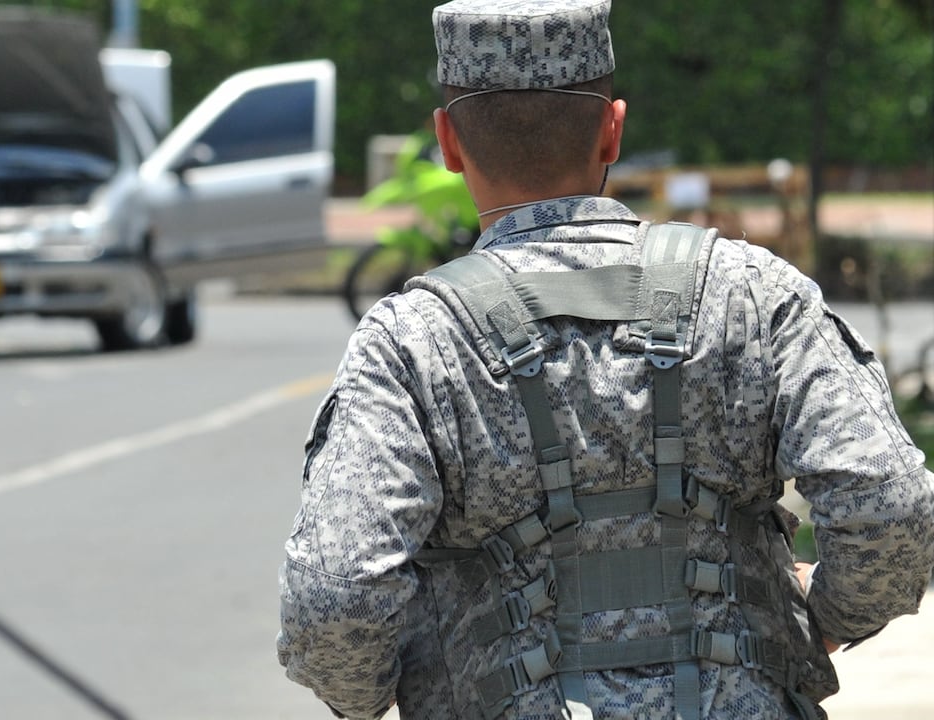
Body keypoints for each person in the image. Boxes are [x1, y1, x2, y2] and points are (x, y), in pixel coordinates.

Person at [277, 1, 934, 718]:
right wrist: (817, 625)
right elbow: (890, 506)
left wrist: (395, 691)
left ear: (449, 142)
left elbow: (333, 603)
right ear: (613, 130)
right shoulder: (752, 292)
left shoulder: (410, 341)